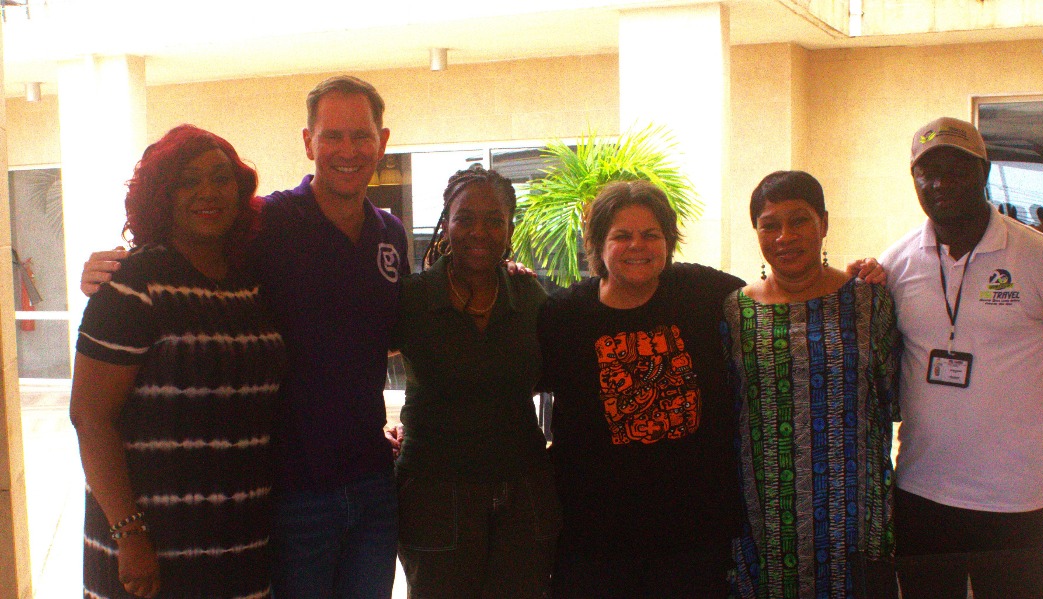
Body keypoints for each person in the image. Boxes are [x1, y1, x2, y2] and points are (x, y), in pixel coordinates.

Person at [81, 76, 408, 599]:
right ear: (309, 142)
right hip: (292, 489)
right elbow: (192, 235)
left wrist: (500, 274)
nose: (348, 150)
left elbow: (397, 333)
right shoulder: (268, 221)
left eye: (361, 136)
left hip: (371, 482)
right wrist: (109, 266)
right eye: (332, 136)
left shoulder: (390, 234)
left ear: (382, 141)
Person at [70, 125, 285, 598]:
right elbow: (90, 417)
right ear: (161, 196)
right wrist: (129, 534)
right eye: (188, 181)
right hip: (150, 550)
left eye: (221, 178)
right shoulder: (131, 284)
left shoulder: (250, 286)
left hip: (240, 545)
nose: (208, 191)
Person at [880, 116, 1043, 599]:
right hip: (921, 489)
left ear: (984, 172)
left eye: (956, 169)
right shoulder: (896, 264)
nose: (939, 183)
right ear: (913, 178)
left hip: (1015, 496)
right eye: (927, 172)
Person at [538, 180, 745, 598]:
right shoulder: (563, 315)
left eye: (651, 234)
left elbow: (777, 297)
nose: (638, 245)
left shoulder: (702, 292)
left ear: (668, 241)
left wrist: (860, 274)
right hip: (596, 542)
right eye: (622, 235)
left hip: (693, 538)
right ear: (598, 244)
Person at [722, 171, 901, 599]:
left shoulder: (869, 299)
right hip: (764, 511)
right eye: (769, 225)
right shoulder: (735, 311)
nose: (784, 236)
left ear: (824, 223)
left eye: (799, 220)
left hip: (854, 508)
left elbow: (890, 396)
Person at [391, 164, 560, 597]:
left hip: (522, 495)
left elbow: (564, 374)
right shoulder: (412, 298)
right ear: (445, 224)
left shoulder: (530, 298)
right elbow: (350, 364)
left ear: (510, 229)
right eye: (464, 218)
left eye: (494, 220)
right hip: (434, 495)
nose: (479, 231)